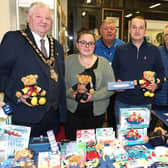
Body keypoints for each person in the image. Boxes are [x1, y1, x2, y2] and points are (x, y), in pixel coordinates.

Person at [0, 2, 67, 137]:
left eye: (48, 18)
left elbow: (60, 79)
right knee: (24, 156)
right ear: (28, 18)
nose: (44, 21)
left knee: (49, 156)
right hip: (25, 115)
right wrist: (17, 95)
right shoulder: (14, 39)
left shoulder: (57, 46)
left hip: (52, 116)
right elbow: (2, 73)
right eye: (38, 17)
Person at [112, 16, 165, 126]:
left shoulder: (154, 50)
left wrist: (156, 85)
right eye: (134, 27)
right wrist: (117, 82)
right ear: (129, 29)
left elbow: (160, 73)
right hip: (123, 102)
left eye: (140, 28)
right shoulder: (120, 49)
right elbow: (114, 71)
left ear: (145, 30)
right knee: (123, 139)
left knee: (141, 139)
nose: (137, 31)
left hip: (144, 103)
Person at [65, 30, 115, 140]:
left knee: (93, 146)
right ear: (77, 44)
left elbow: (111, 87)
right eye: (83, 42)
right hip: (73, 113)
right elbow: (61, 86)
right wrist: (72, 94)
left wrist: (93, 96)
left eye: (91, 43)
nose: (87, 46)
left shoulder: (104, 63)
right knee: (73, 144)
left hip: (96, 114)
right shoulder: (68, 61)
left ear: (94, 45)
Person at [94, 19, 125, 129]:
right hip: (99, 87)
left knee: (114, 116)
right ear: (100, 31)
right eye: (106, 29)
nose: (109, 31)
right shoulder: (94, 45)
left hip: (117, 87)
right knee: (98, 115)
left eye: (112, 29)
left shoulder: (123, 46)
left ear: (116, 31)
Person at [152, 25, 168, 128]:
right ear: (163, 36)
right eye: (167, 34)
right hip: (158, 97)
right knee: (151, 128)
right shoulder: (156, 52)